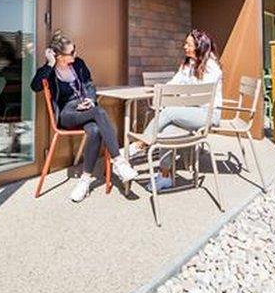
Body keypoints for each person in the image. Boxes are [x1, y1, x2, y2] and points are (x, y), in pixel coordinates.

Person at [31, 31, 138, 202]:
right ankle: (119, 162)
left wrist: (90, 99)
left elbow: (89, 84)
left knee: (95, 130)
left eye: (75, 50)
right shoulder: (50, 70)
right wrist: (50, 65)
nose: (75, 54)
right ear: (58, 56)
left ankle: (85, 180)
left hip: (85, 109)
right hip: (66, 114)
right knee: (99, 111)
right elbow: (35, 86)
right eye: (71, 53)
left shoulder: (78, 64)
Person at [136, 29, 223, 190]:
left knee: (169, 111)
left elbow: (201, 97)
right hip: (189, 112)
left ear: (199, 46)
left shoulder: (212, 67)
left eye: (188, 44)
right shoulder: (188, 64)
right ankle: (164, 176)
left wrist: (179, 99)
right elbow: (174, 83)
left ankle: (141, 143)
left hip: (208, 115)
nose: (184, 47)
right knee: (167, 130)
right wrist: (160, 90)